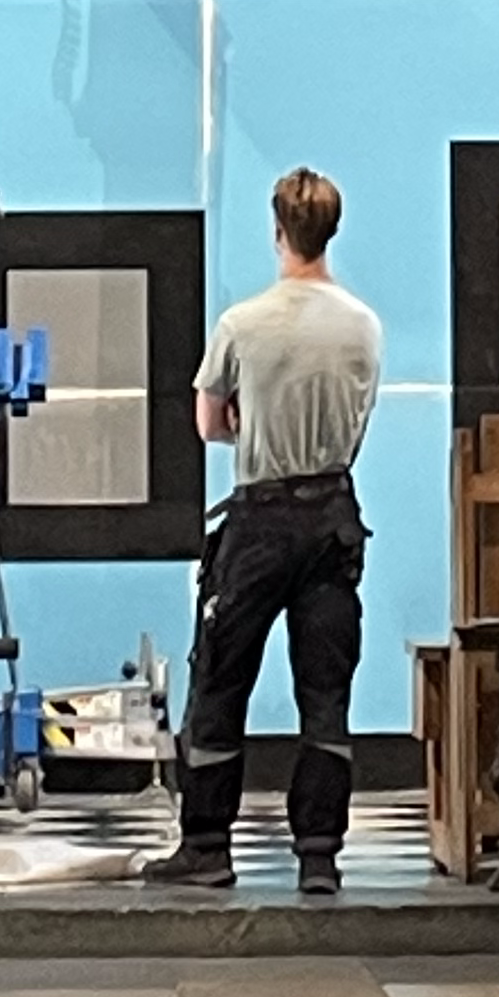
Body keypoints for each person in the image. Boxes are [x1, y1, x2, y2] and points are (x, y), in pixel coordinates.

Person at [145, 168, 383, 898]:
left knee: (220, 679)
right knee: (325, 691)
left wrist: (253, 422)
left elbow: (210, 424)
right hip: (333, 517)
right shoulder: (363, 326)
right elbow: (358, 423)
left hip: (258, 519)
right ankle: (318, 854)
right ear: (330, 231)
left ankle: (208, 848)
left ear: (277, 231)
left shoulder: (242, 325)